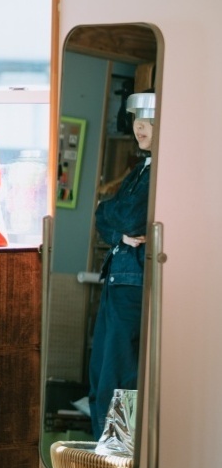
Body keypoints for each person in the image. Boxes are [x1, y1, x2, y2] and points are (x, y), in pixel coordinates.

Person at [86, 91, 154, 441]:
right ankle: (106, 447)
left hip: (132, 282)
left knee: (119, 374)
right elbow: (102, 214)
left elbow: (126, 216)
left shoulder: (162, 170)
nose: (139, 126)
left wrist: (118, 223)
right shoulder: (141, 169)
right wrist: (121, 234)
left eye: (148, 120)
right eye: (136, 119)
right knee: (100, 371)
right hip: (118, 276)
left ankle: (117, 448)